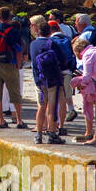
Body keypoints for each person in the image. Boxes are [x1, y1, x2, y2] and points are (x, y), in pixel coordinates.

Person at [28, 15, 65, 144]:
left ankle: (38, 134)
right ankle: (52, 134)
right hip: (52, 80)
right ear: (50, 32)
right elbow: (62, 59)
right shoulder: (52, 43)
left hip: (39, 80)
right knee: (52, 107)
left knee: (41, 107)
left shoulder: (33, 44)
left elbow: (33, 61)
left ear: (38, 31)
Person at [0, 7, 26, 129]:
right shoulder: (14, 31)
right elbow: (18, 49)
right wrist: (18, 64)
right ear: (10, 18)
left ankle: (1, 120)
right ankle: (19, 121)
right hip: (10, 64)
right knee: (15, 93)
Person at [71, 36, 96, 143]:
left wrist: (81, 84)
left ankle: (92, 134)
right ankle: (95, 133)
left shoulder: (87, 54)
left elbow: (87, 76)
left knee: (95, 109)